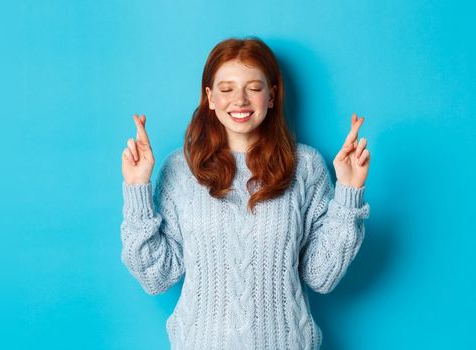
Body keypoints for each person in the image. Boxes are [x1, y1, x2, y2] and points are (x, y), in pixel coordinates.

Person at [119, 37, 371, 350]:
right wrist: (137, 189)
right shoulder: (180, 170)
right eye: (226, 89)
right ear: (210, 97)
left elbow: (321, 275)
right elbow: (157, 276)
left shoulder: (305, 166)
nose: (239, 100)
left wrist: (349, 192)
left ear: (272, 96)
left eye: (253, 87)